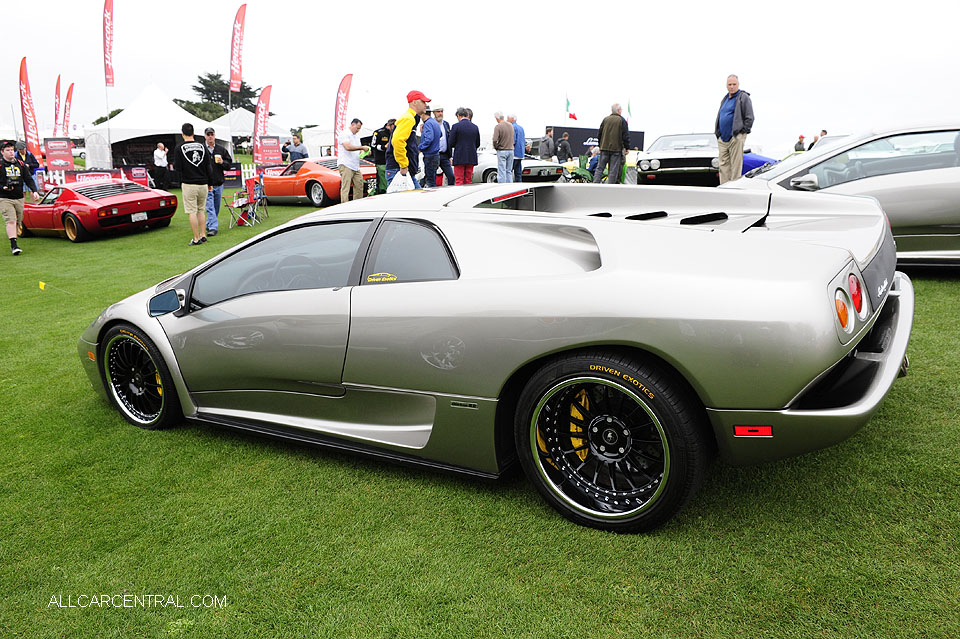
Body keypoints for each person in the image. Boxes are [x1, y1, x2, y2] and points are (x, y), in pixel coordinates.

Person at [172, 123, 215, 246]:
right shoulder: (202, 147)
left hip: (189, 183)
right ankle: (203, 235)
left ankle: (196, 238)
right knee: (201, 210)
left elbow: (178, 167)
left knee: (192, 211)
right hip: (203, 183)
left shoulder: (179, 148)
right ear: (193, 133)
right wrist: (210, 182)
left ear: (182, 133)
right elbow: (208, 166)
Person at [1, 140, 41, 255]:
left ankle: (14, 238)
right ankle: (14, 246)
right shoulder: (1, 165)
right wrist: (3, 187)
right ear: (2, 152)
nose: (11, 152)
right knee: (11, 220)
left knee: (18, 221)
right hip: (5, 198)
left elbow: (28, 178)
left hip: (19, 197)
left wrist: (34, 191)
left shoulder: (20, 164)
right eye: (7, 150)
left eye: (12, 150)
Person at [714, 74, 754, 184]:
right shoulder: (725, 98)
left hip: (735, 137)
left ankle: (735, 189)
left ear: (738, 84)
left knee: (736, 166)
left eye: (734, 84)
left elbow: (750, 117)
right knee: (723, 166)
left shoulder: (743, 97)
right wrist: (718, 133)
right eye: (729, 84)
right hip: (723, 138)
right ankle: (724, 188)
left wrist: (742, 133)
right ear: (726, 85)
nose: (732, 87)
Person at [386, 90, 430, 189]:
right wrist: (403, 165)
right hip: (399, 170)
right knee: (407, 198)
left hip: (403, 170)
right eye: (423, 102)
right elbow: (397, 141)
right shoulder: (408, 118)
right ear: (414, 102)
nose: (425, 105)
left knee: (416, 196)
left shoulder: (411, 118)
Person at [203, 127, 232, 236]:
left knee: (216, 207)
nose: (210, 137)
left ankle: (209, 224)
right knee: (210, 207)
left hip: (219, 183)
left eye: (212, 134)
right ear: (205, 136)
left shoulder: (221, 150)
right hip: (207, 184)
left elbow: (229, 165)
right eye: (208, 134)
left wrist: (222, 162)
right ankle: (213, 228)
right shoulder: (202, 149)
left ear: (215, 135)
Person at [593, 103, 630, 184]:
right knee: (613, 170)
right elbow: (625, 136)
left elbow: (599, 133)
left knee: (600, 168)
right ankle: (610, 186)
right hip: (616, 149)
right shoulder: (621, 120)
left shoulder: (605, 119)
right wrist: (627, 147)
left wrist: (600, 145)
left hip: (604, 148)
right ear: (618, 110)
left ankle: (595, 183)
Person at [338, 118, 370, 202]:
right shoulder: (344, 134)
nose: (358, 130)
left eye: (359, 128)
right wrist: (362, 147)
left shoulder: (356, 136)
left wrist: (365, 152)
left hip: (355, 165)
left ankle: (357, 204)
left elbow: (359, 150)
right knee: (346, 187)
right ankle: (344, 205)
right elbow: (347, 147)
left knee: (359, 185)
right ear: (352, 125)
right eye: (357, 128)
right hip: (345, 164)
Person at [448, 107, 480, 185]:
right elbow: (477, 143)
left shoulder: (455, 126)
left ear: (458, 115)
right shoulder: (475, 127)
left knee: (459, 180)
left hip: (459, 156)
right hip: (471, 156)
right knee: (468, 180)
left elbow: (451, 143)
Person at [419, 109, 442, 187]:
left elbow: (429, 139)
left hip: (430, 155)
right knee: (431, 178)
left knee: (430, 181)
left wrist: (420, 148)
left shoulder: (428, 124)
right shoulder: (435, 123)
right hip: (436, 155)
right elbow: (440, 134)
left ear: (423, 114)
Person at [371, 119, 395, 194]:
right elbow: (373, 145)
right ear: (389, 125)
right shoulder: (378, 132)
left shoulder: (396, 132)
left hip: (393, 161)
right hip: (381, 161)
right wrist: (384, 147)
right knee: (383, 183)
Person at [433, 108, 455, 186]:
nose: (440, 113)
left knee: (451, 176)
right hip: (434, 154)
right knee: (431, 177)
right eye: (438, 112)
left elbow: (449, 140)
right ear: (434, 113)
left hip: (444, 155)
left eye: (441, 111)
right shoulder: (431, 124)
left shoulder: (446, 124)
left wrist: (450, 156)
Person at [492, 112, 514, 183]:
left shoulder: (498, 126)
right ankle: (510, 186)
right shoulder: (511, 125)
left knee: (502, 171)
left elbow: (495, 139)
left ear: (497, 118)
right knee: (509, 171)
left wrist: (496, 147)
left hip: (502, 150)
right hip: (511, 150)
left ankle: (502, 187)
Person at [508, 114, 526, 183]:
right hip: (520, 153)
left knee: (509, 171)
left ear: (512, 119)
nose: (507, 120)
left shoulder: (512, 127)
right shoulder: (521, 128)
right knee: (518, 173)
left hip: (514, 153)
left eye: (508, 119)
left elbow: (513, 140)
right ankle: (519, 185)